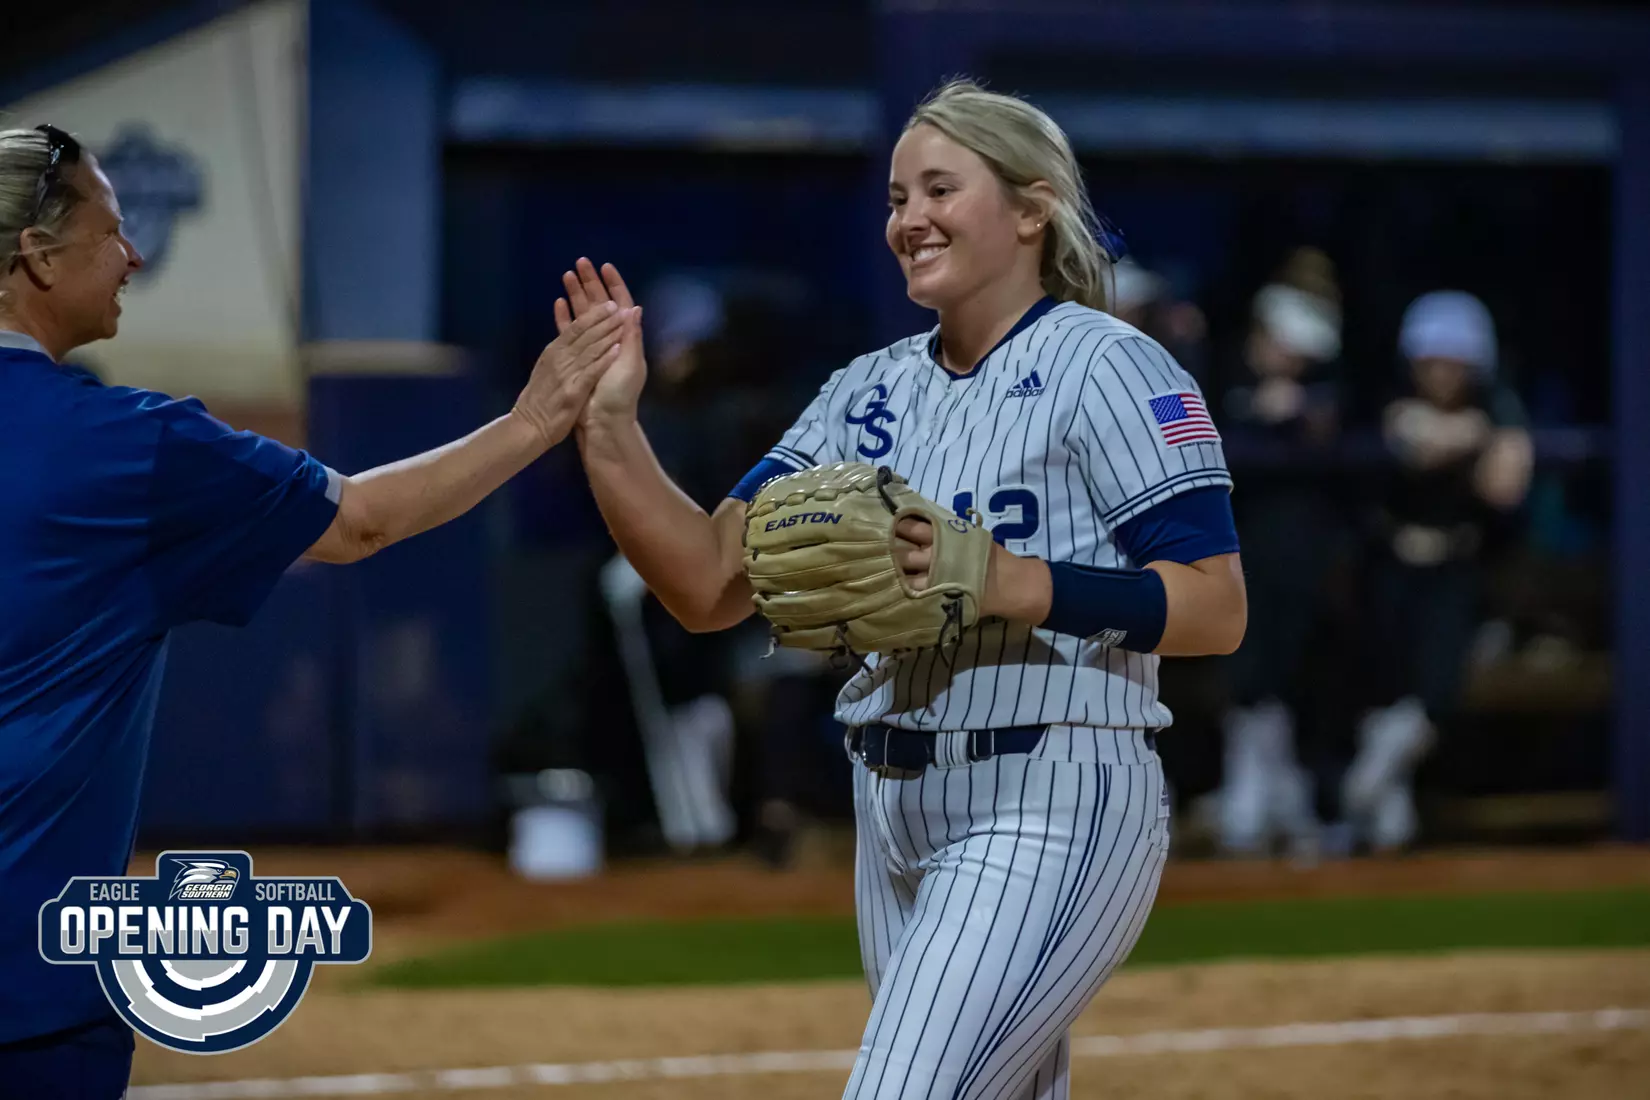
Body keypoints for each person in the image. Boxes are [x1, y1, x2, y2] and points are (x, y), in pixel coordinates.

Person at [559, 81, 1247, 1099]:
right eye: (894, 197)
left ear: (1030, 207)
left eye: (938, 188)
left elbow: (1215, 605)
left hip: (1050, 788)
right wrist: (611, 430)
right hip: (889, 805)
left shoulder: (1110, 366)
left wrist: (1018, 582)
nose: (908, 219)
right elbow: (708, 582)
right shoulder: (865, 389)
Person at [0, 125, 628, 1096]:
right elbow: (362, 519)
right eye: (111, 229)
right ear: (36, 252)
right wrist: (536, 419)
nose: (133, 254)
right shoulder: (128, 449)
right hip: (25, 987)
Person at [1346, 290, 1533, 851]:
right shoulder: (1391, 397)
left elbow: (1507, 484)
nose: (1443, 371)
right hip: (1389, 564)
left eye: (1455, 360)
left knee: (1432, 696)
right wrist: (1467, 438)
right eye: (1432, 359)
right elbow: (1412, 440)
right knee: (1380, 687)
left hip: (1454, 568)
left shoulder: (1499, 405)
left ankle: (1372, 783)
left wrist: (1475, 436)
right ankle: (1386, 815)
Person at [1214, 248, 1345, 858]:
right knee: (1247, 670)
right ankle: (1250, 789)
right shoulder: (1216, 377)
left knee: (1299, 674)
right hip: (1234, 554)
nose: (1291, 353)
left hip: (1305, 561)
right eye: (1281, 340)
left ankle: (1289, 794)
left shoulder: (1328, 390)